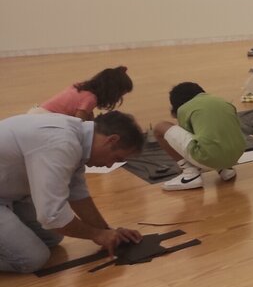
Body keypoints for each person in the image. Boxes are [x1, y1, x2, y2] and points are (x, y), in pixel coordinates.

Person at [0, 111, 145, 273]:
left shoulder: (77, 137)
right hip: (6, 194)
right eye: (116, 158)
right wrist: (97, 234)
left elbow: (77, 194)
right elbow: (52, 216)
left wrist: (107, 231)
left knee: (52, 237)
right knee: (32, 259)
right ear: (111, 140)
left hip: (10, 193)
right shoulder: (60, 143)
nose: (110, 165)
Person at [154, 82, 247, 192]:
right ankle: (224, 168)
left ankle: (190, 174)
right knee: (213, 131)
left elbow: (187, 138)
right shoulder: (223, 101)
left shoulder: (183, 109)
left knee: (160, 128)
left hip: (209, 158)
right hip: (236, 155)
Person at [34, 66, 133, 120]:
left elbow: (86, 113)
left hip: (37, 113)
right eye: (119, 95)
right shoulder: (90, 99)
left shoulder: (82, 87)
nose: (118, 99)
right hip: (44, 120)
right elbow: (79, 124)